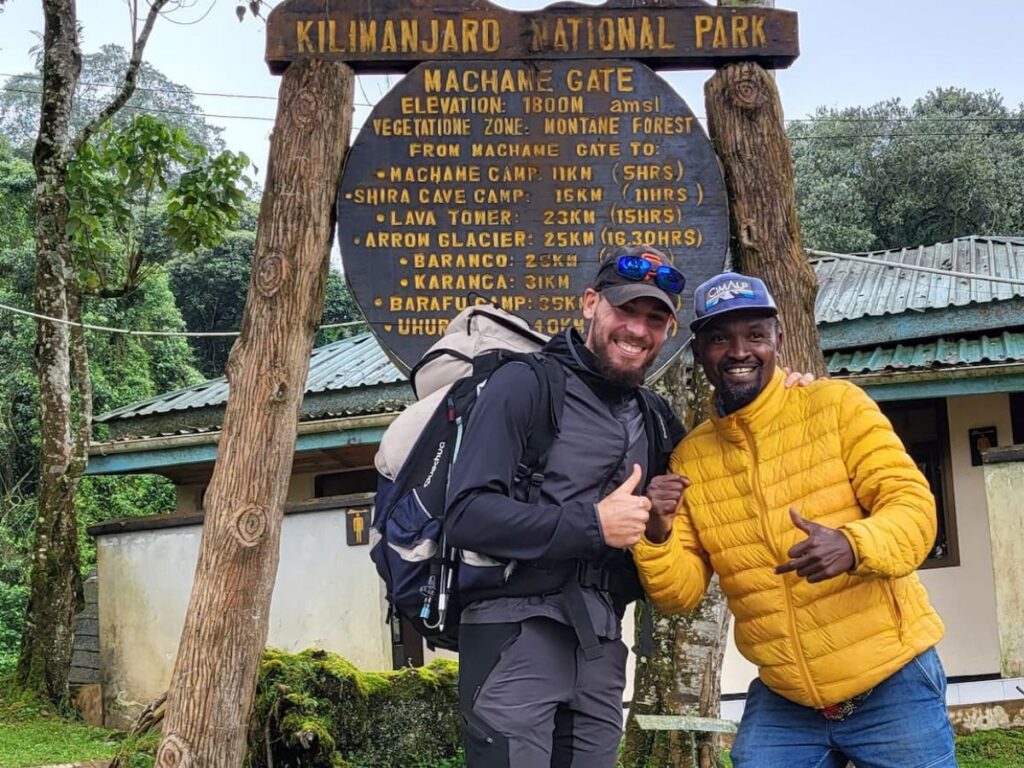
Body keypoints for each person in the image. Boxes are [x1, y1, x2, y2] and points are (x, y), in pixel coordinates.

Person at [636, 271, 953, 768]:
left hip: (892, 680)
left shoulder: (836, 406)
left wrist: (853, 545)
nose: (739, 351)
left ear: (778, 341)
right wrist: (655, 532)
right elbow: (681, 593)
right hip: (786, 695)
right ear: (698, 353)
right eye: (720, 338)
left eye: (755, 335)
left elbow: (915, 511)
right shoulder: (691, 458)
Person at [444, 244, 686, 768]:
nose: (638, 331)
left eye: (655, 319)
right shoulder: (525, 384)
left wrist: (660, 527)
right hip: (513, 632)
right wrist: (593, 523)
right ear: (590, 303)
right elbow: (465, 514)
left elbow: (661, 541)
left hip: (600, 642)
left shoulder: (656, 417)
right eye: (626, 311)